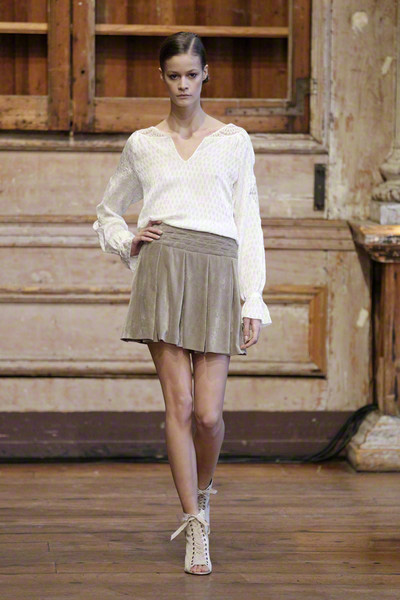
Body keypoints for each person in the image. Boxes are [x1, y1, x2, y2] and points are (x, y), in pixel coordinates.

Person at [92, 31, 272, 576]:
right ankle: (194, 522)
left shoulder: (233, 141)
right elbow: (107, 209)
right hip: (164, 269)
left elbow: (247, 220)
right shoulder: (143, 143)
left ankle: (205, 493)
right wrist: (128, 239)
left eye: (191, 75)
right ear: (163, 78)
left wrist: (253, 298)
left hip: (217, 269)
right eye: (174, 76)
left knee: (209, 414)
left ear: (205, 74)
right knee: (181, 406)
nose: (183, 85)